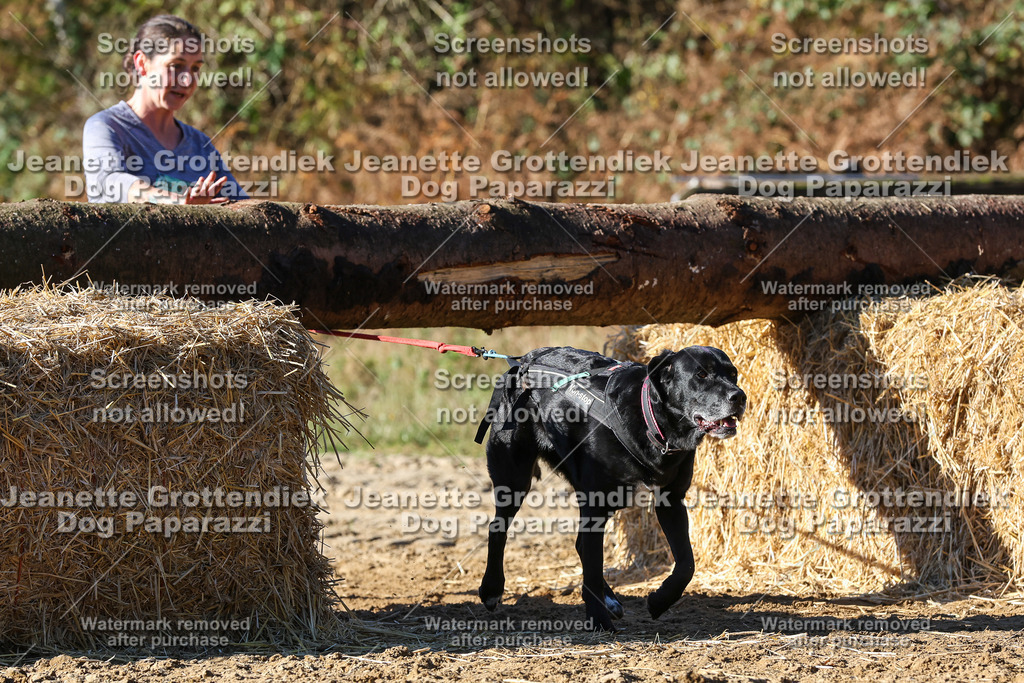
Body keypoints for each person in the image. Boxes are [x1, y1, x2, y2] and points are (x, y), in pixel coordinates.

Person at [83, 15, 247, 203]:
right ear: (142, 64)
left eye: (195, 68)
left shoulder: (200, 144)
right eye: (175, 66)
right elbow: (110, 182)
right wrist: (179, 203)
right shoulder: (107, 126)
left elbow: (242, 206)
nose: (187, 80)